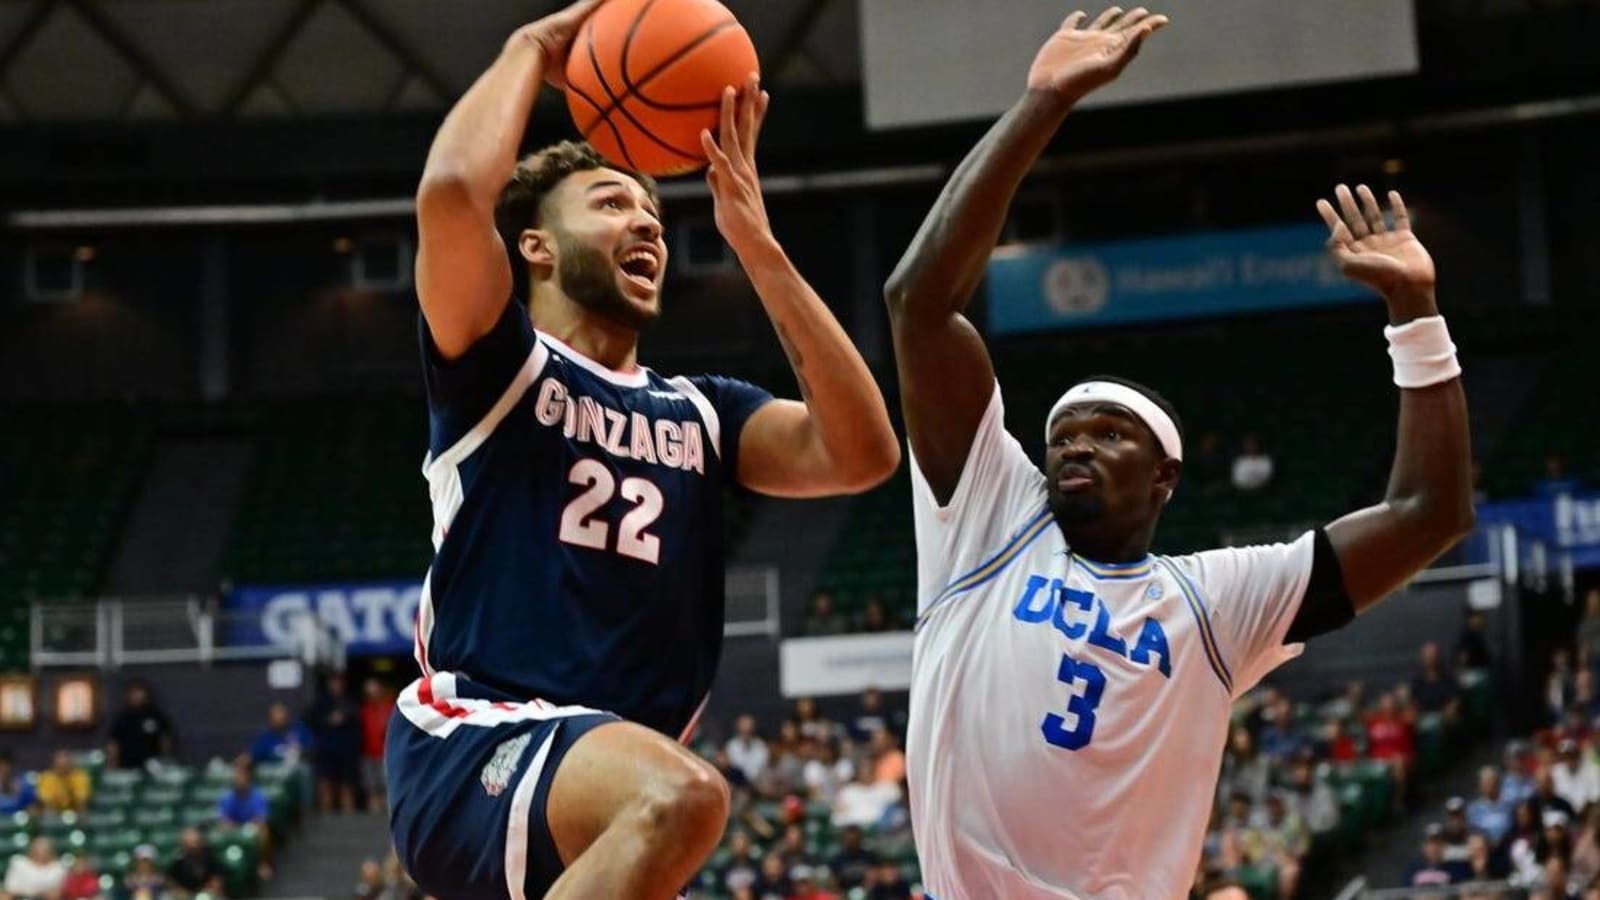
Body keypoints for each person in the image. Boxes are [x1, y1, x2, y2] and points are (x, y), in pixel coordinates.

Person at [884, 7, 1475, 896]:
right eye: (1061, 437)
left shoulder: (1210, 601)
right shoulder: (993, 518)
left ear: (1164, 475)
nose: (1074, 445)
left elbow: (1431, 514)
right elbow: (919, 303)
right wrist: (1041, 104)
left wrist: (1417, 315)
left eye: (1107, 433)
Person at [382, 3, 898, 899]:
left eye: (655, 209)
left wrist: (760, 248)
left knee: (674, 796)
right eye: (613, 201)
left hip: (602, 776)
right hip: (480, 739)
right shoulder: (496, 366)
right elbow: (453, 197)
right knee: (683, 797)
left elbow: (861, 452)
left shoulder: (703, 411)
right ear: (536, 247)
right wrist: (527, 52)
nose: (649, 223)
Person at [308, 671, 363, 812]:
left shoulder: (350, 701)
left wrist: (344, 719)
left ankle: (349, 819)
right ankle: (326, 818)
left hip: (346, 750)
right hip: (325, 750)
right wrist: (328, 720)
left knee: (347, 784)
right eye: (334, 681)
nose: (337, 685)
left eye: (339, 681)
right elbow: (310, 720)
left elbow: (357, 723)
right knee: (325, 783)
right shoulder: (320, 702)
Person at [106, 681, 175, 771]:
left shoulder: (156, 715)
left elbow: (165, 740)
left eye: (139, 692)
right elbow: (113, 744)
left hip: (153, 767)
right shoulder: (122, 717)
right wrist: (112, 765)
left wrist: (166, 760)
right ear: (128, 695)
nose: (137, 696)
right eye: (134, 693)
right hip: (127, 766)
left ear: (146, 694)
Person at [359, 678, 395, 813]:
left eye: (375, 692)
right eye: (370, 693)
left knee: (386, 783)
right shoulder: (365, 710)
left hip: (386, 752)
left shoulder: (391, 707)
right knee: (370, 784)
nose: (373, 695)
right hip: (367, 751)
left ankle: (387, 808)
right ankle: (373, 809)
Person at [249, 702, 314, 768]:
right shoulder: (265, 737)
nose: (280, 719)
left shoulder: (300, 731)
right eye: (276, 718)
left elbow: (311, 750)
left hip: (298, 768)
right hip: (274, 771)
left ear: (287, 717)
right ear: (270, 720)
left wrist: (300, 752)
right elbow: (253, 755)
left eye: (282, 717)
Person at [166, 828, 225, 898]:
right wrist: (185, 895)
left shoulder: (210, 856)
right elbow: (172, 883)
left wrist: (208, 892)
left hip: (208, 893)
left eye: (195, 842)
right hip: (186, 894)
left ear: (201, 842)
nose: (193, 846)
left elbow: (217, 879)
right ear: (183, 845)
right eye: (188, 843)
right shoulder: (178, 861)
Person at [35, 750, 91, 815]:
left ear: (70, 764)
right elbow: (44, 799)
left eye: (65, 765)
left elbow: (82, 798)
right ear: (54, 764)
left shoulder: (80, 776)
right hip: (53, 811)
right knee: (45, 810)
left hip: (74, 810)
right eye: (60, 765)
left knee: (83, 809)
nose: (63, 768)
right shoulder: (47, 777)